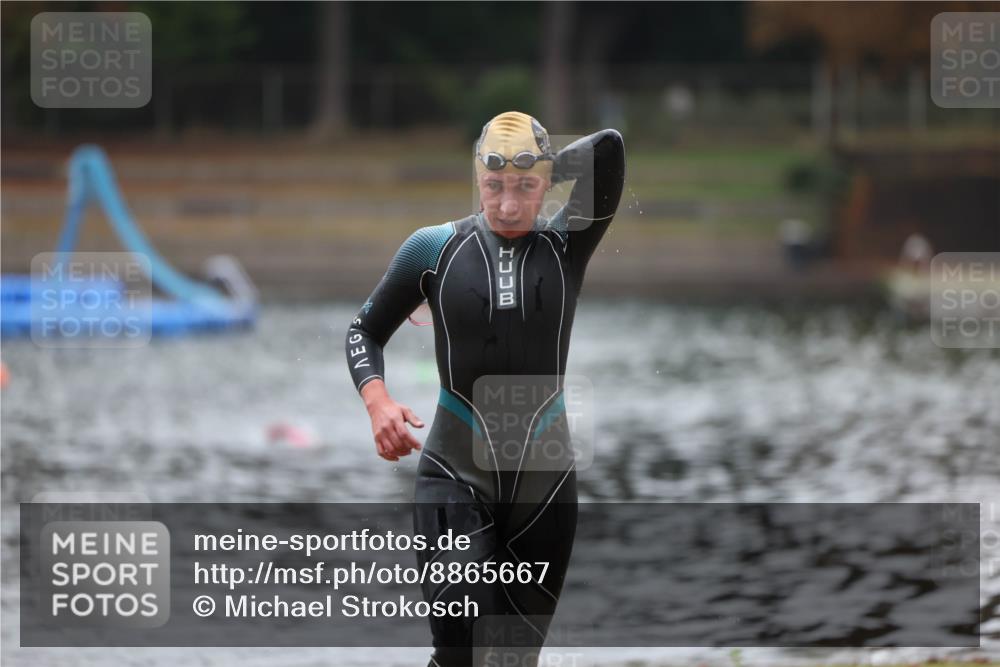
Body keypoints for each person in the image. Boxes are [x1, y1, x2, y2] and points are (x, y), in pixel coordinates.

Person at [345, 110, 625, 666]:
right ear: (477, 179)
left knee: (511, 661)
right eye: (494, 185)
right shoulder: (433, 249)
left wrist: (542, 158)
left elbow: (610, 151)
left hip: (543, 485)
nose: (509, 203)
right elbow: (364, 331)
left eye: (526, 186)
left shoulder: (568, 243)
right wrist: (378, 402)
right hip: (455, 468)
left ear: (547, 184)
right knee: (459, 650)